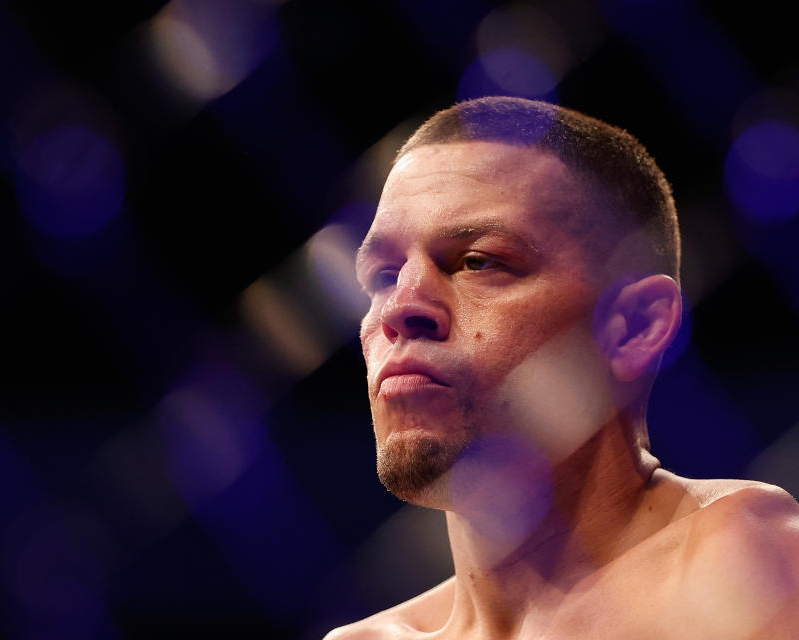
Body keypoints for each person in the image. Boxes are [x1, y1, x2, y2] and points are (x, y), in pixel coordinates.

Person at [327, 97, 799, 639]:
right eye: (383, 275)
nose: (399, 307)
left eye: (479, 261)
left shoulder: (747, 561)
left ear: (633, 326)